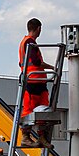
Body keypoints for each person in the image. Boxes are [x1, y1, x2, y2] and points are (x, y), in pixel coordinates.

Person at [19, 17, 55, 146]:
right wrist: (52, 67)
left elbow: (22, 63)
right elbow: (36, 62)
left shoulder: (26, 43)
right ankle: (26, 137)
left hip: (38, 81)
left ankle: (41, 137)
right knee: (29, 110)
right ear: (39, 28)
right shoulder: (29, 43)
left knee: (43, 111)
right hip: (32, 81)